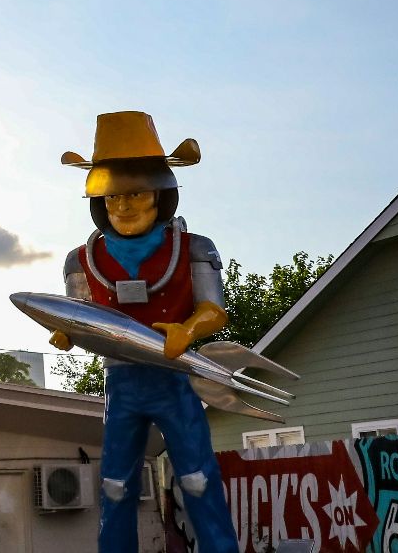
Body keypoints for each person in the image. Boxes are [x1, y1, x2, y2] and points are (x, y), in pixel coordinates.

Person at [51, 111, 241, 553]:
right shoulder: (81, 261)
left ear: (160, 193)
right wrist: (67, 334)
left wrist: (189, 329)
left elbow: (215, 309)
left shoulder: (194, 248)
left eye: (135, 192)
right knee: (115, 485)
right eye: (114, 196)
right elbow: (79, 316)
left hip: (173, 379)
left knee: (197, 479)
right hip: (122, 383)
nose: (124, 205)